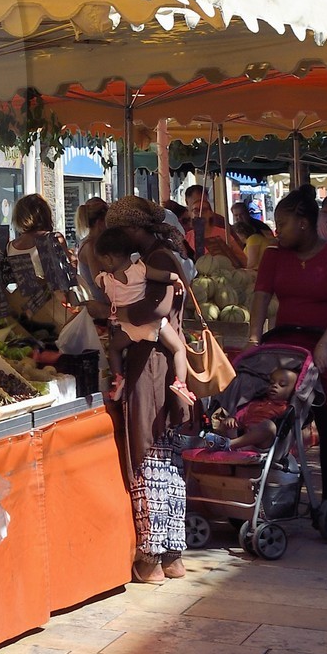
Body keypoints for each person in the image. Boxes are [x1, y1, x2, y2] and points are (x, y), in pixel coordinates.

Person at [91, 202, 193, 584]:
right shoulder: (152, 259)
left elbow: (154, 310)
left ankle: (152, 559)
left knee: (149, 459)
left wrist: (113, 316)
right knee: (167, 462)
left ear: (132, 230)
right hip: (155, 365)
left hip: (150, 367)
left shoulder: (156, 260)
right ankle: (171, 556)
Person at [249, 183, 327, 512]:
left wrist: (325, 343)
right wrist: (254, 337)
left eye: (282, 224)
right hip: (285, 349)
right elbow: (261, 296)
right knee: (277, 417)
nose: (276, 230)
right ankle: (273, 489)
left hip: (326, 350)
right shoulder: (273, 254)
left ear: (303, 223)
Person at [179, 183, 246, 268]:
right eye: (196, 209)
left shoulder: (222, 230)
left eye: (204, 208)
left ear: (210, 212)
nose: (200, 213)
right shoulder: (186, 234)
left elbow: (242, 259)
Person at [232, 201, 274, 275]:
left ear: (247, 213)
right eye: (236, 215)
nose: (239, 218)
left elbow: (272, 242)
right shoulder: (234, 229)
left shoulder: (260, 227)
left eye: (241, 214)